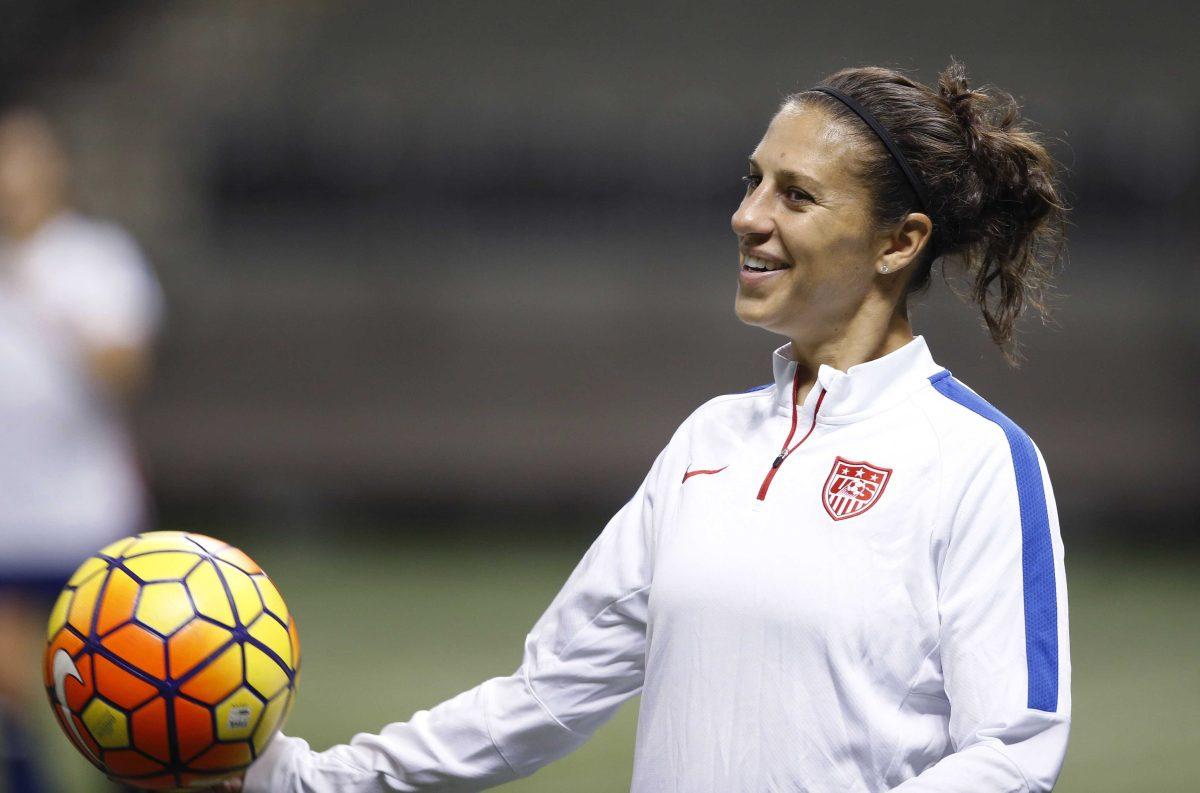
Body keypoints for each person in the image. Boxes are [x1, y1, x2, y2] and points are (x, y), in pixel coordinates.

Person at [226, 59, 1073, 792]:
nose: (748, 216)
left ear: (900, 241)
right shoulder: (709, 443)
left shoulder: (976, 458)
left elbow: (1012, 751)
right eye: (753, 180)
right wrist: (303, 778)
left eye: (797, 195)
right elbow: (545, 694)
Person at [0, 109, 163, 793]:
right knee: (10, 707)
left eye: (23, 159)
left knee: (117, 699)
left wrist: (51, 306)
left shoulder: (96, 257)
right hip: (8, 522)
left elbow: (126, 371)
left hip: (90, 518)